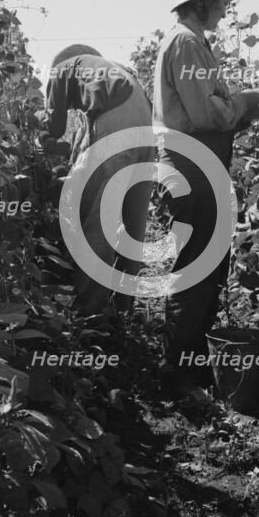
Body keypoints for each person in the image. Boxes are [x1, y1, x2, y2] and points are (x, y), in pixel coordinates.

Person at [153, 0, 259, 397]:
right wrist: (247, 101)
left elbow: (211, 113)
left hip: (200, 165)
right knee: (196, 269)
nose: (226, 9)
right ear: (203, 1)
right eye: (223, 1)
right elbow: (208, 114)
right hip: (192, 168)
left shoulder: (193, 43)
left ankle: (190, 365)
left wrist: (243, 108)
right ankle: (178, 375)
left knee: (207, 266)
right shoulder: (186, 44)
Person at [39, 44, 155, 315]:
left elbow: (54, 127)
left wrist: (43, 139)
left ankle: (92, 313)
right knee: (133, 223)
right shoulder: (117, 71)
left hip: (118, 128)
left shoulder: (62, 71)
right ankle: (124, 306)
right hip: (146, 130)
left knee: (98, 221)